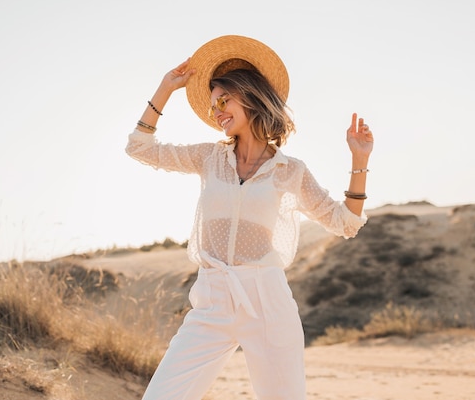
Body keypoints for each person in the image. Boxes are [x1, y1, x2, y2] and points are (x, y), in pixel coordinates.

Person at [126, 35, 374, 400]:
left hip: (267, 303)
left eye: (223, 100)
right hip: (212, 300)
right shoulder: (209, 158)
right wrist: (165, 88)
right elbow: (139, 148)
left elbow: (345, 224)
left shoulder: (290, 171)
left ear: (250, 95)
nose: (217, 112)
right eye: (213, 106)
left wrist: (359, 161)